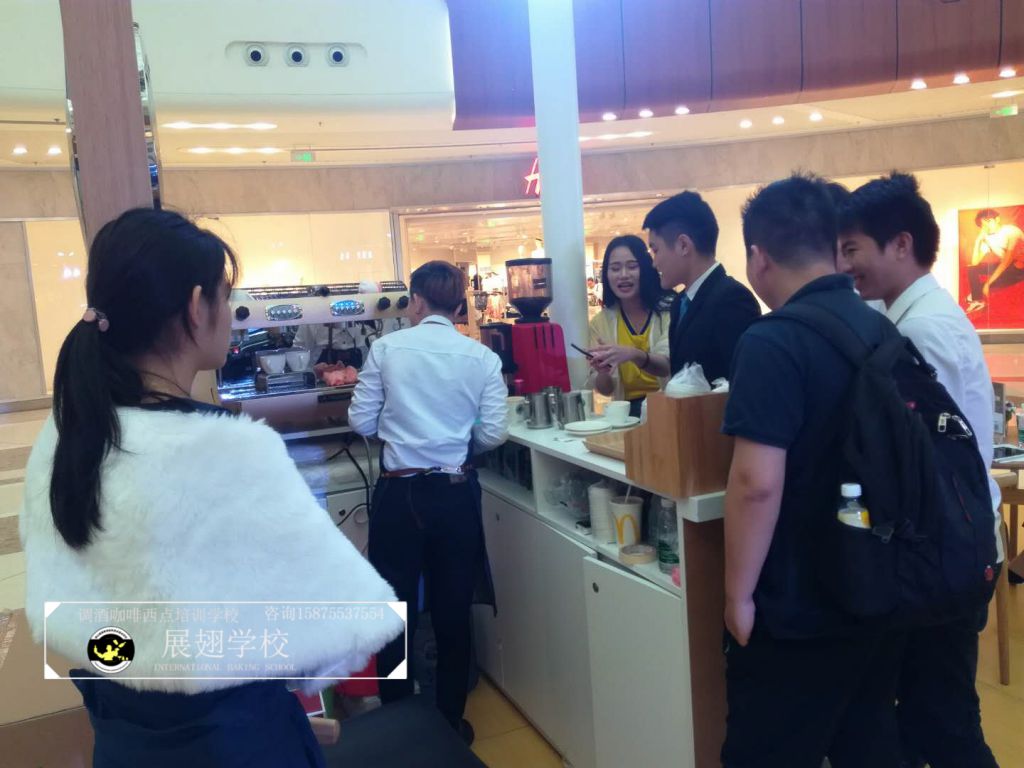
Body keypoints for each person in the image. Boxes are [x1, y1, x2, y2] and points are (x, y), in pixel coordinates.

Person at [20, 209, 403, 767]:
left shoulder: (65, 435)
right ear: (197, 306)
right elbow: (341, 626)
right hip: (236, 743)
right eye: (227, 297)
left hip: (125, 740)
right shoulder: (231, 449)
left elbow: (70, 611)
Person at [721, 174, 903, 768]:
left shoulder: (771, 341)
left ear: (758, 256)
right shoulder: (881, 328)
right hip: (877, 581)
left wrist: (737, 596)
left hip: (798, 600)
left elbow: (756, 483)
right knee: (865, 743)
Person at [838, 172, 1002, 768]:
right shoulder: (926, 315)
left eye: (852, 248)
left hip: (944, 549)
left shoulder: (917, 330)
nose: (844, 265)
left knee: (944, 723)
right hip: (958, 540)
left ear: (901, 244)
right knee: (930, 715)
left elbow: (917, 460)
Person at [348, 261, 508, 745]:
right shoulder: (481, 357)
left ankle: (398, 725)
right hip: (455, 494)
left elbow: (360, 420)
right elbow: (494, 432)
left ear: (415, 300)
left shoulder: (386, 348)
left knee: (394, 611)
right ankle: (450, 724)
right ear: (458, 305)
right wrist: (457, 442)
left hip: (400, 494)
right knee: (452, 611)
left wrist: (400, 431)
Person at [643, 191, 761, 382]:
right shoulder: (679, 303)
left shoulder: (732, 299)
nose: (654, 263)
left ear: (683, 245)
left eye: (656, 250)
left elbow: (743, 381)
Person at [587, 235, 673, 417]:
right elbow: (606, 390)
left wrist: (632, 354)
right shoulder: (600, 323)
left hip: (669, 406)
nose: (623, 275)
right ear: (606, 274)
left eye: (632, 266)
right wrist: (603, 372)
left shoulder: (669, 310)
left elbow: (667, 364)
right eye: (615, 268)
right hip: (627, 413)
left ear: (646, 268)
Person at [965, 208, 1024, 314]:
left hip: (1020, 269)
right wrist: (978, 240)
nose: (987, 226)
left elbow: (1006, 261)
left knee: (987, 286)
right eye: (983, 224)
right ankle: (977, 301)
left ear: (997, 219)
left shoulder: (1011, 231)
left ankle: (976, 294)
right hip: (1007, 266)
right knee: (972, 268)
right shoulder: (988, 238)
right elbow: (974, 263)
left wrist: (988, 283)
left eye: (989, 221)